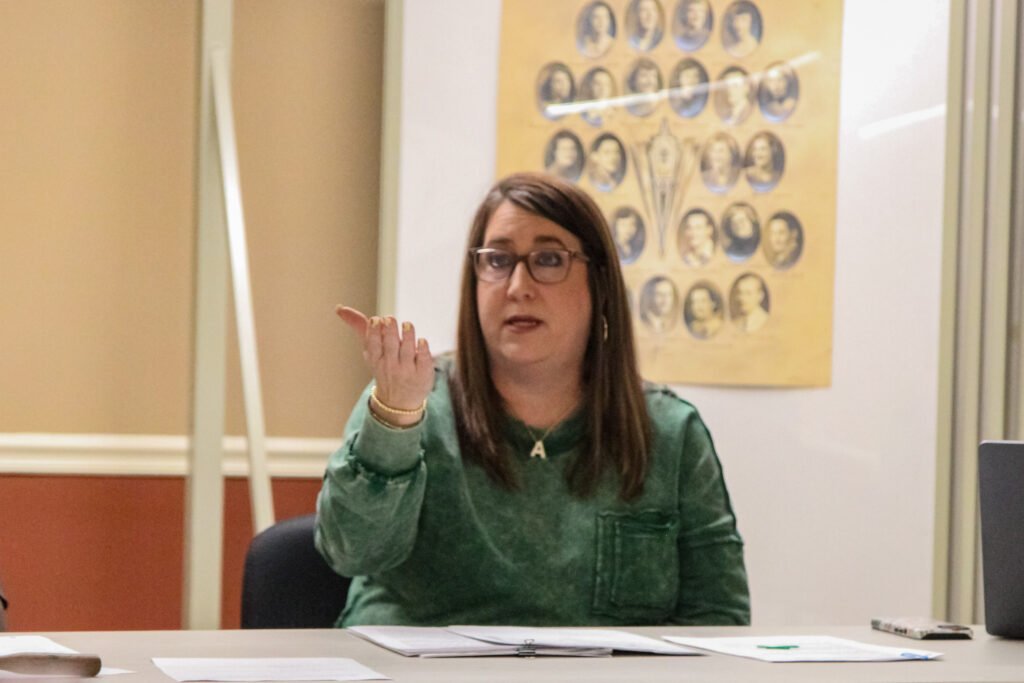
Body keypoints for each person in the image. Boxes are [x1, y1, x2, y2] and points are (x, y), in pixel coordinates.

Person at [316, 172, 749, 627]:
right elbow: (350, 552)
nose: (518, 285)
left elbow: (718, 618)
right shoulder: (411, 401)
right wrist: (394, 424)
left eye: (548, 259)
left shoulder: (669, 431)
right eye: (498, 260)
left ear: (599, 284)